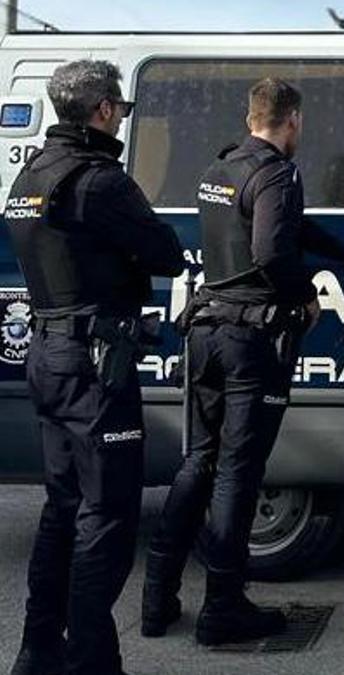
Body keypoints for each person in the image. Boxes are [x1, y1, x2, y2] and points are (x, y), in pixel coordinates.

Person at [140, 78, 344, 646]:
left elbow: (287, 227)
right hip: (249, 341)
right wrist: (307, 294)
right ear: (292, 120)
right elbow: (272, 252)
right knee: (239, 473)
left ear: (249, 115)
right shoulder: (278, 174)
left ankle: (157, 596)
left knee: (199, 462)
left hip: (207, 332)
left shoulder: (221, 169)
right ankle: (223, 607)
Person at [4, 60, 185, 675]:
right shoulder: (99, 180)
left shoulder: (29, 176)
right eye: (122, 110)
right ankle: (91, 661)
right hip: (94, 364)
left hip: (49, 356)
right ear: (104, 109)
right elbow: (165, 253)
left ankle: (37, 649)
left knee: (62, 507)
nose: (121, 120)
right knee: (105, 514)